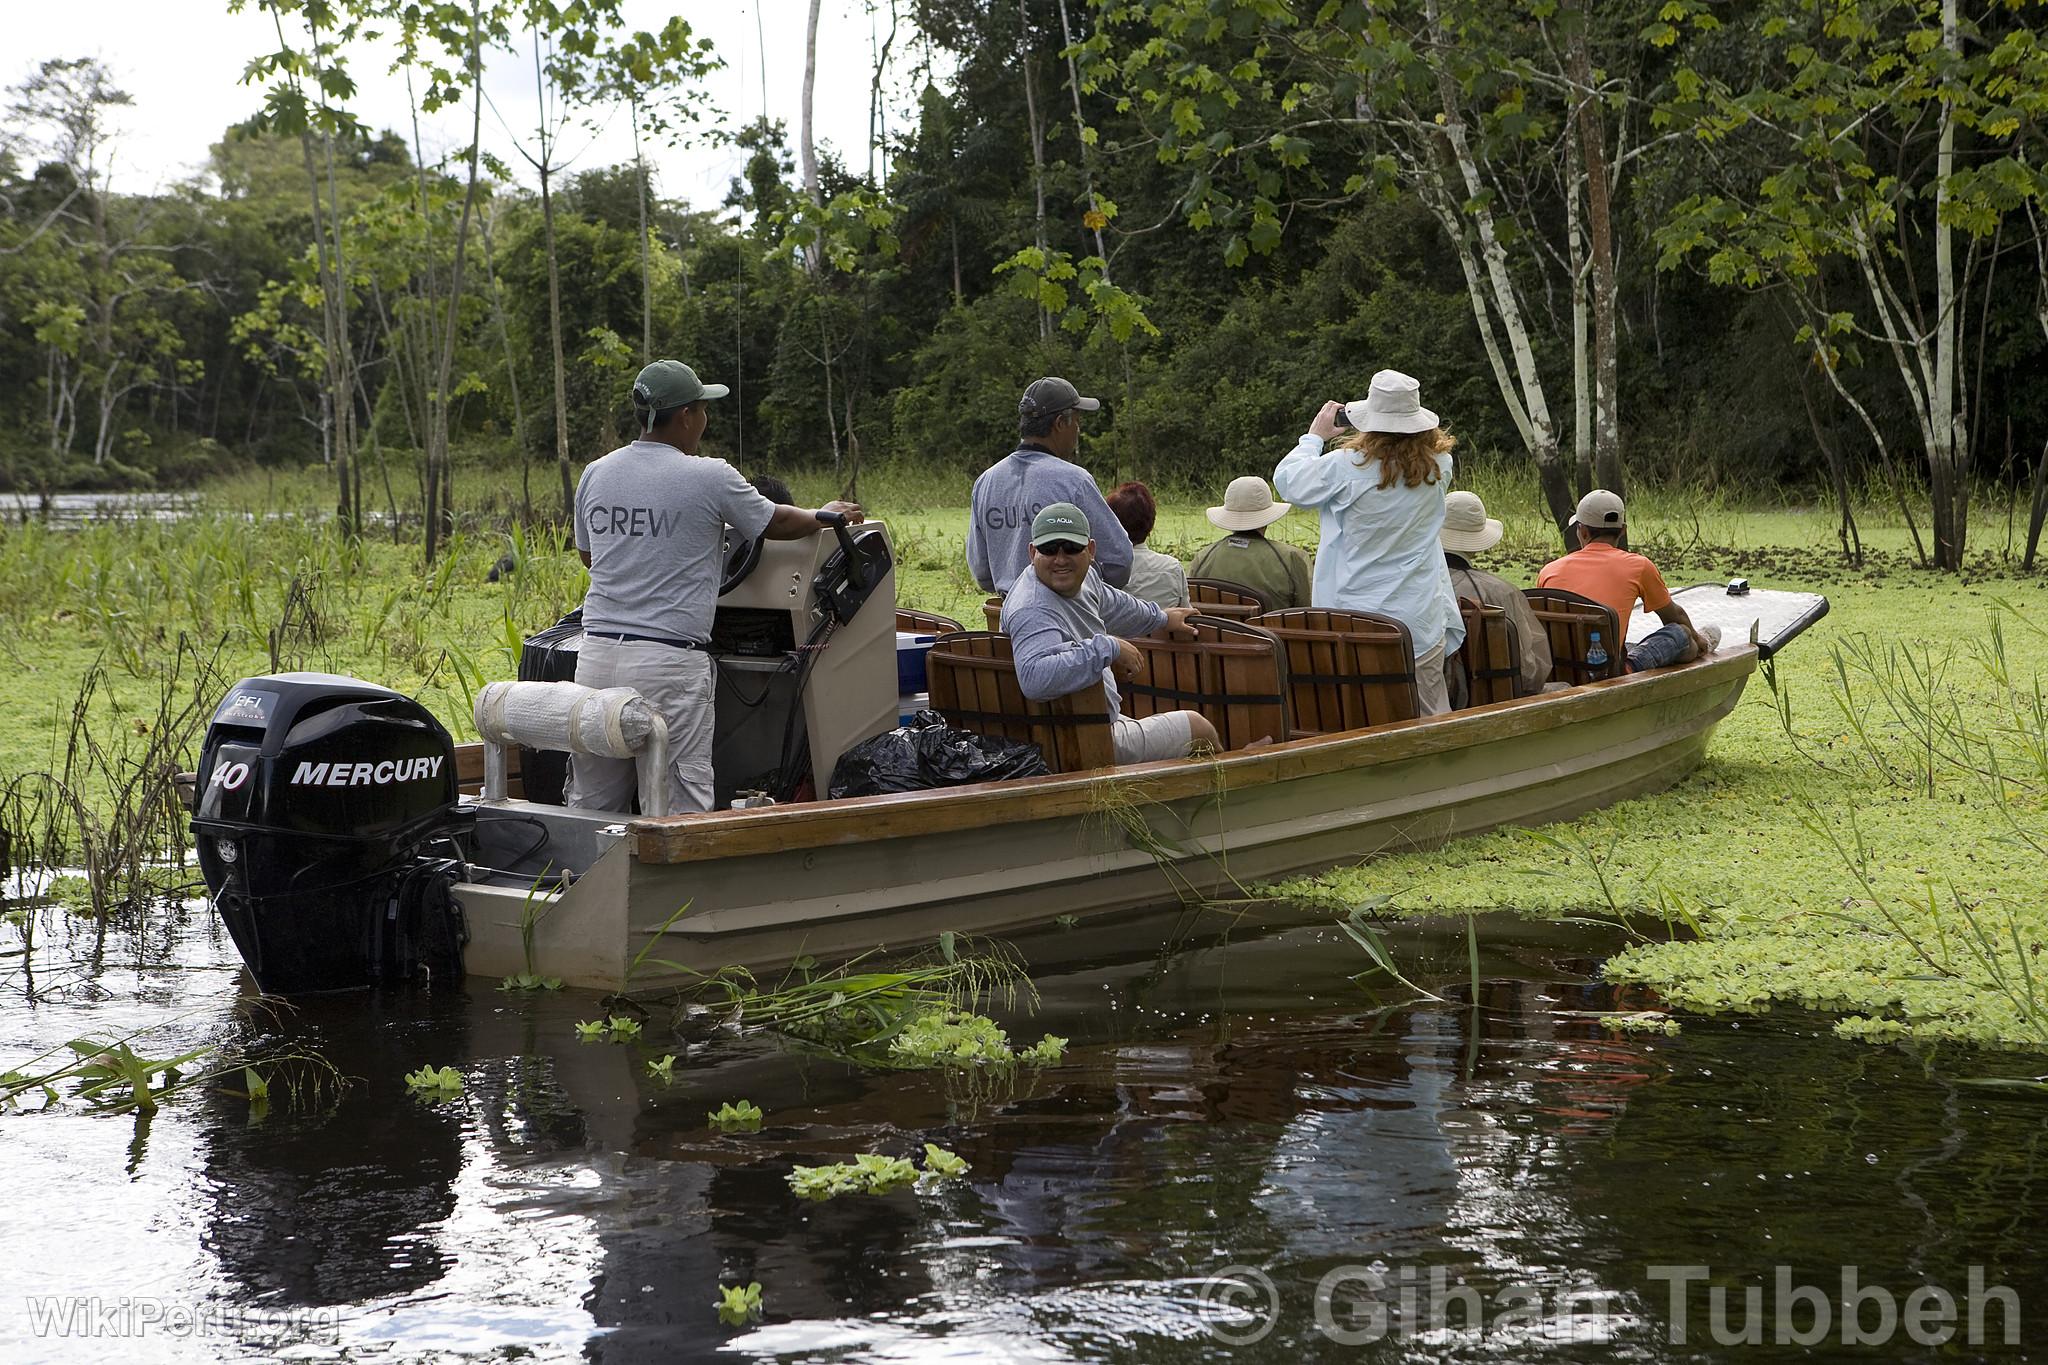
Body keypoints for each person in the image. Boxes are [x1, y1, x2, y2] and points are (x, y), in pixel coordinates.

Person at [568, 359, 861, 814]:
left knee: (592, 801)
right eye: (703, 409)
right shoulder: (709, 475)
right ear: (685, 415)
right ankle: (680, 889)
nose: (705, 419)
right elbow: (775, 521)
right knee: (676, 803)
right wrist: (824, 515)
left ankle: (581, 881)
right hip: (667, 665)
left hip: (596, 659)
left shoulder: (597, 473)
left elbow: (591, 557)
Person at [1273, 369, 1464, 715]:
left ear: (1370, 421)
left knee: (1360, 711)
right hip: (1419, 615)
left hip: (1355, 616)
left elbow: (1289, 482)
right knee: (1429, 713)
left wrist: (1313, 438)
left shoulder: (1344, 467)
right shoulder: (1440, 466)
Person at [1002, 502, 1221, 763]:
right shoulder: (1033, 607)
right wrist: (1108, 648)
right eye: (1049, 550)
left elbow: (1117, 606)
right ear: (1032, 552)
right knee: (1199, 728)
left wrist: (1162, 618)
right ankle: (1238, 784)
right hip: (1080, 741)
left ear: (1091, 550)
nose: (1060, 559)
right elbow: (1035, 678)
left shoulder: (1085, 579)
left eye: (1071, 548)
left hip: (1087, 722)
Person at [967, 377, 1132, 594]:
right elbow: (1119, 561)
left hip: (1007, 617)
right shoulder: (1074, 481)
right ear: (1060, 424)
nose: (1078, 430)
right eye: (1077, 421)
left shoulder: (986, 482)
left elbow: (983, 574)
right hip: (1065, 618)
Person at [1537, 489, 1719, 672]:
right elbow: (1674, 616)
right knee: (1681, 634)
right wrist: (1697, 638)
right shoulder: (1639, 566)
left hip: (1557, 670)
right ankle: (1633, 666)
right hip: (1608, 672)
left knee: (1628, 644)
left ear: (1582, 532)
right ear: (1622, 531)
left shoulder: (1549, 571)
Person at [1439, 489, 1553, 703]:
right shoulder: (1502, 592)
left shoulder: (1417, 589)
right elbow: (1531, 672)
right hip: (1496, 701)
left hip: (1433, 699)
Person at [1188, 476, 1312, 610]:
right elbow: (1304, 612)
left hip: (1216, 631)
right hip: (1270, 631)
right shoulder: (1291, 558)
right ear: (1268, 517)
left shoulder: (1203, 557)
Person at [1107, 481, 1189, 608]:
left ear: (1110, 524)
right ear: (1151, 523)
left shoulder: (1099, 571)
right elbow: (1186, 615)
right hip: (1166, 627)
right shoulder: (1173, 568)